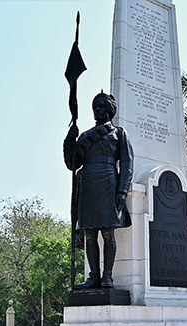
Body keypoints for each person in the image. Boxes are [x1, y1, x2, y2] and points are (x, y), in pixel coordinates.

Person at [63, 92, 133, 289]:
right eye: (95, 105)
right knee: (90, 234)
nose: (97, 109)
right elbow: (72, 164)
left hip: (108, 182)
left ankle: (108, 276)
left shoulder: (118, 133)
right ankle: (93, 276)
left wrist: (122, 191)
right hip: (87, 184)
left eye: (102, 105)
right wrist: (70, 140)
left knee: (108, 232)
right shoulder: (85, 136)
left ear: (110, 109)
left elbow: (127, 163)